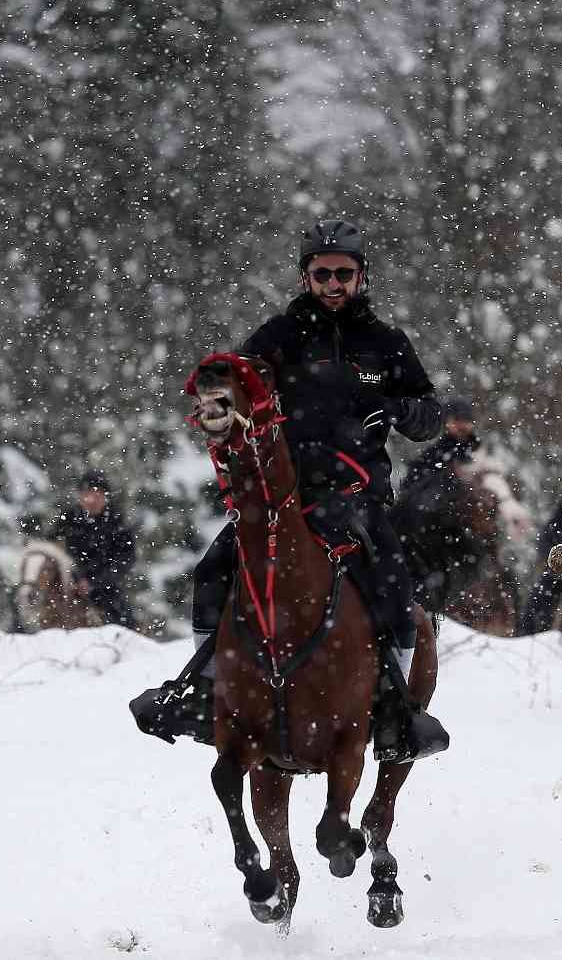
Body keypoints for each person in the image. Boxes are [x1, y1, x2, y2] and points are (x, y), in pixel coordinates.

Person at [134, 219, 448, 762]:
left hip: (357, 495)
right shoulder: (278, 337)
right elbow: (235, 382)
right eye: (321, 272)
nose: (333, 283)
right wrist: (216, 384)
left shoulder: (386, 344)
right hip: (285, 497)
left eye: (343, 274)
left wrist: (393, 408)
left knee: (395, 585)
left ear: (361, 277)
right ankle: (205, 691)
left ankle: (397, 712)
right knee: (212, 571)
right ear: (305, 277)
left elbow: (430, 417)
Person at [394, 397, 487, 613]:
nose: (462, 425)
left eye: (466, 420)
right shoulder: (435, 456)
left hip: (467, 531)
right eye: (457, 420)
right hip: (439, 531)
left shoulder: (479, 457)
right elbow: (416, 493)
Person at [48, 469, 137, 628]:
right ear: (80, 496)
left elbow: (126, 559)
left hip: (103, 590)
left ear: (105, 497)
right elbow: (51, 546)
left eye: (97, 495)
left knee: (120, 621)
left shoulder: (117, 522)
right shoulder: (68, 518)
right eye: (87, 494)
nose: (91, 500)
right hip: (66, 583)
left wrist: (94, 582)